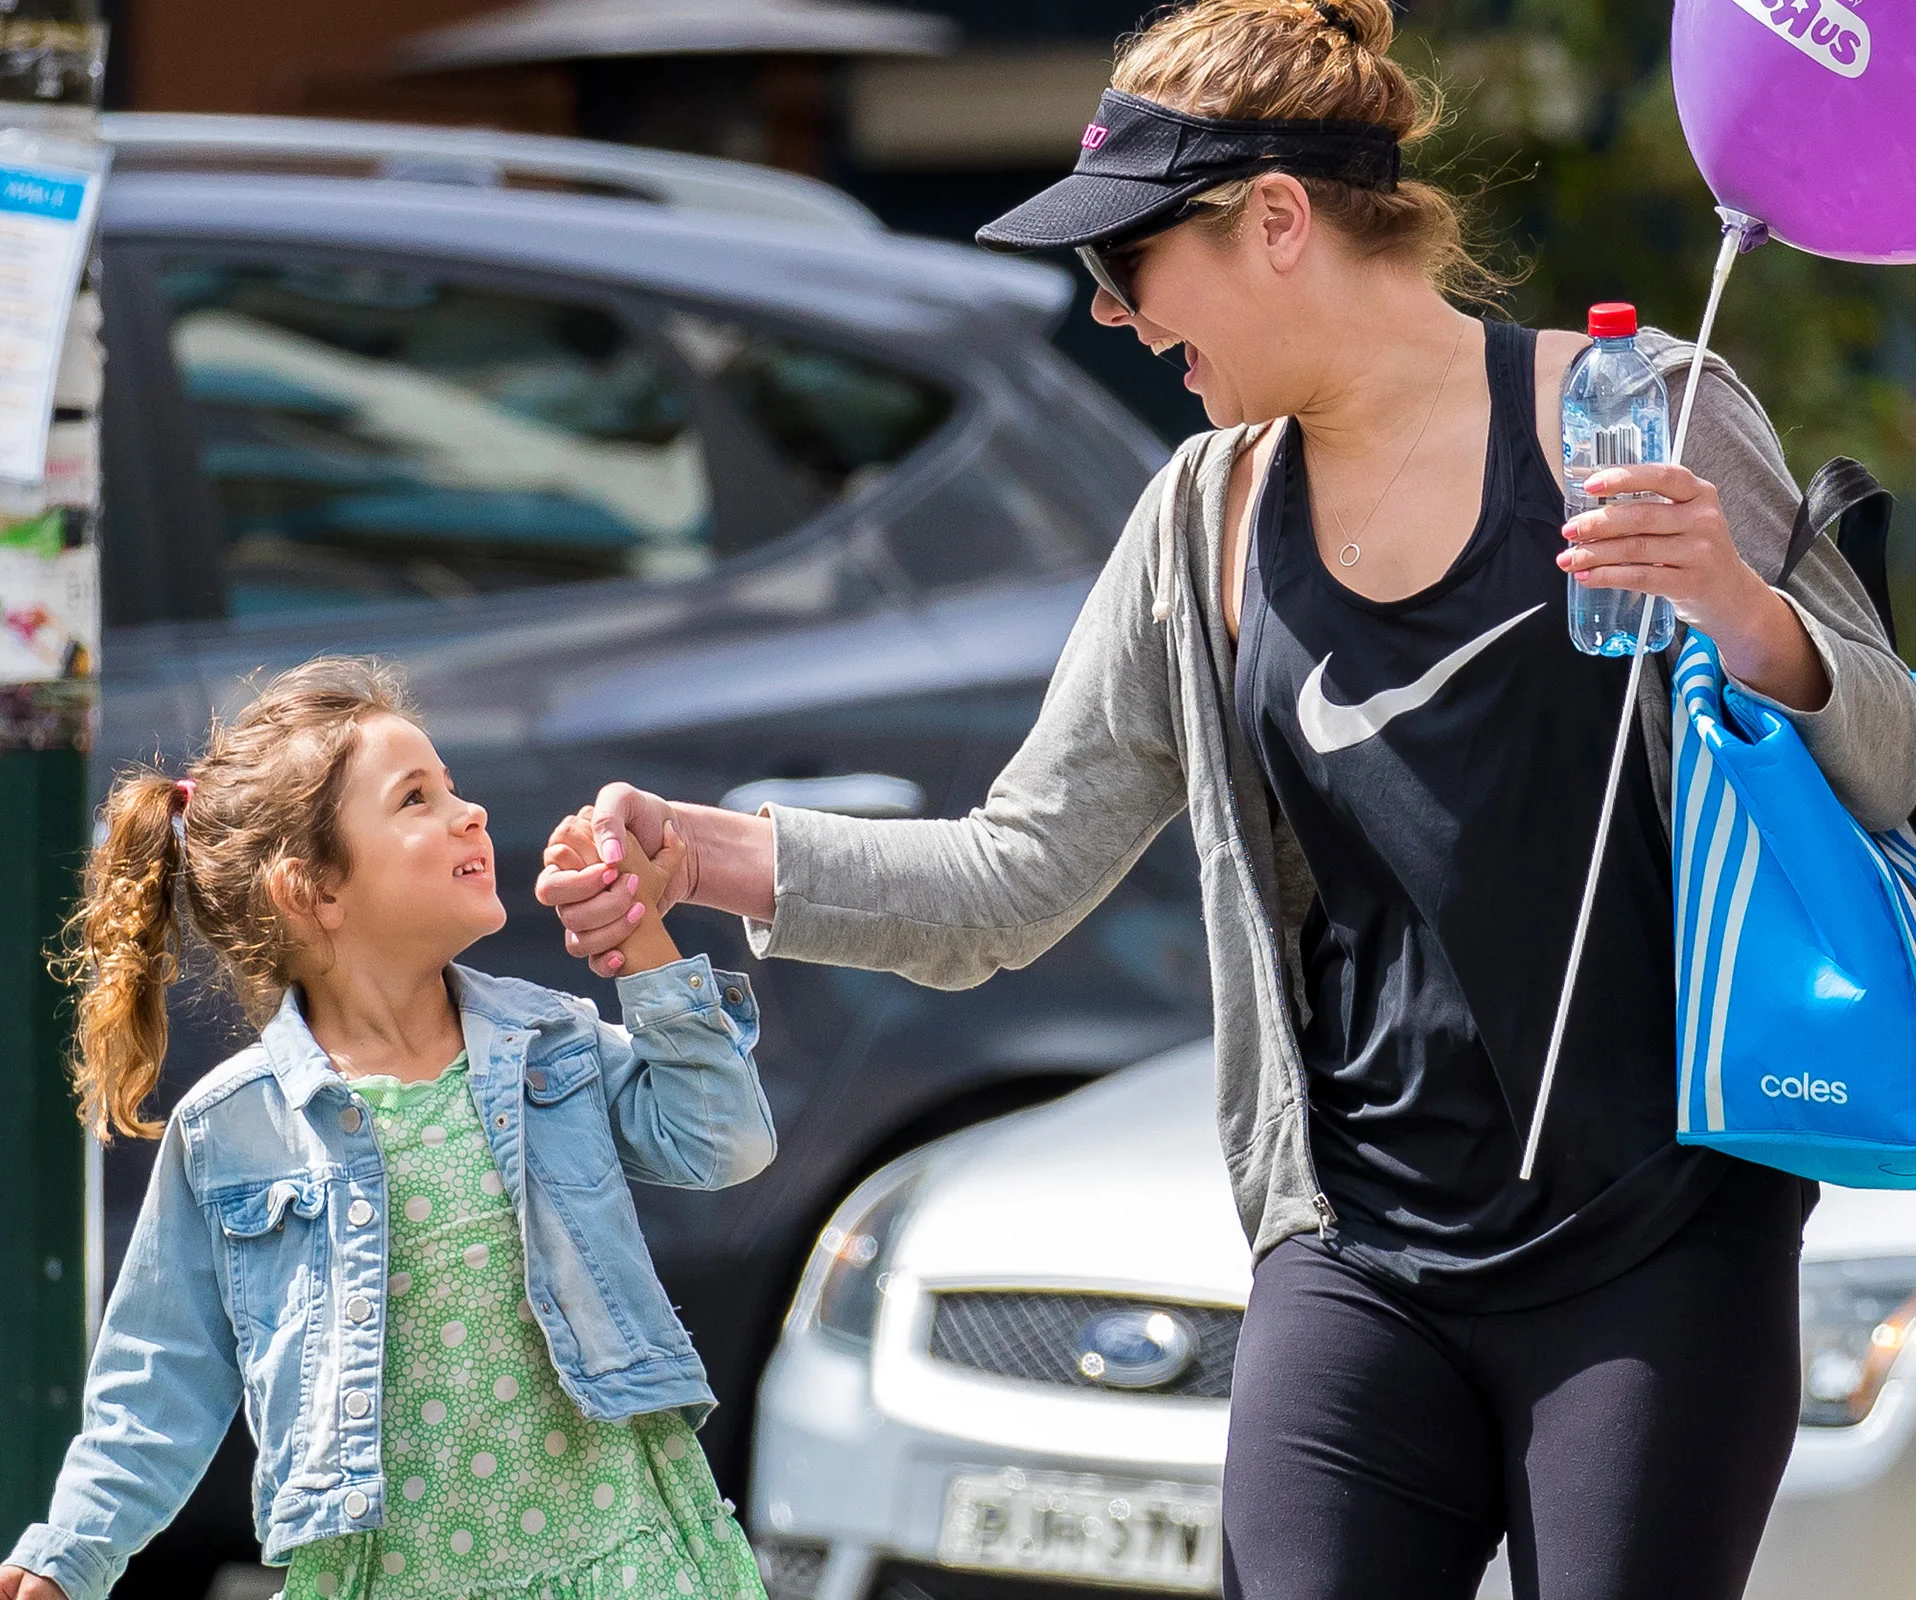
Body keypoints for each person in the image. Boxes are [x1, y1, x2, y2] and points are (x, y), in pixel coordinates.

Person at [540, 2, 1916, 1596]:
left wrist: (1752, 618)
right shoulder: (1203, 516)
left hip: (1658, 1255)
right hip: (1357, 1255)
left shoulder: (1633, 415)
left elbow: (1893, 768)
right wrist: (708, 852)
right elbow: (1014, 872)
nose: (1112, 317)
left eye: (1128, 266)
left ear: (1277, 221)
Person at [0, 658, 775, 1600]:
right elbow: (157, 1381)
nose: (470, 812)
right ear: (312, 890)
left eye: (453, 785)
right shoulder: (231, 1130)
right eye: (415, 798)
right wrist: (68, 1555)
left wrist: (638, 935)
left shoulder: (550, 1046)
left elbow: (723, 1140)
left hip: (621, 1559)